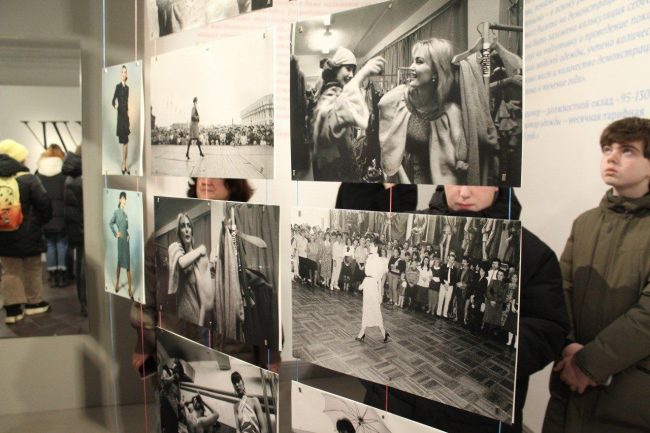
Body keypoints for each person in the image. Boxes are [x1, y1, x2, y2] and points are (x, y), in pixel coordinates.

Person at [363, 185, 570, 432]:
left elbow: (548, 329)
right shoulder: (409, 222)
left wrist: (488, 354)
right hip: (395, 403)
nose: (463, 192)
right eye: (456, 180)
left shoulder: (534, 253)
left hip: (476, 414)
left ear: (498, 181)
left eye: (476, 182)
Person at [542, 117, 650, 433]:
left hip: (628, 394)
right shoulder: (585, 223)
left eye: (627, 151)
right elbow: (561, 290)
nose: (611, 158)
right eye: (607, 149)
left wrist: (589, 364)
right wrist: (568, 347)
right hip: (568, 383)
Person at [379, 38, 467, 184]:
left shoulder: (451, 111)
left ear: (436, 72)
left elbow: (461, 158)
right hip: (402, 181)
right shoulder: (396, 100)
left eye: (419, 62)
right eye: (413, 61)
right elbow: (389, 150)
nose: (411, 67)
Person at [310, 47, 386, 181]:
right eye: (348, 68)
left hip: (337, 167)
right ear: (336, 69)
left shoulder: (336, 90)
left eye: (353, 70)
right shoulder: (331, 92)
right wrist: (362, 74)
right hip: (333, 171)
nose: (351, 74)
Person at [0, 139, 52, 324]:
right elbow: (44, 204)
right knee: (32, 268)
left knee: (10, 270)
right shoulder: (29, 179)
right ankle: (34, 303)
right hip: (30, 233)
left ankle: (13, 310)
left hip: (3, 233)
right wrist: (40, 222)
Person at [167, 212, 211, 325]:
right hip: (179, 317)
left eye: (189, 226)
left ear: (192, 231)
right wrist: (201, 249)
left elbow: (204, 302)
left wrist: (200, 325)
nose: (186, 229)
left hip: (195, 319)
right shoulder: (177, 254)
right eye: (183, 226)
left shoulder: (199, 259)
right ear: (179, 232)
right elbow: (181, 263)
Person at [36, 144, 68, 288]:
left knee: (49, 244)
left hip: (46, 215)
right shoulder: (64, 174)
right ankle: (62, 275)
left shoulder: (38, 174)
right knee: (61, 244)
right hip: (62, 216)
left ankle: (52, 275)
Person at [62, 146, 86, 316]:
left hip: (76, 227)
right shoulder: (83, 178)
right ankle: (87, 304)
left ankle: (84, 303)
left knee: (81, 265)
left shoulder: (72, 175)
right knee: (85, 267)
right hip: (84, 228)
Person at [355, 235, 389, 343]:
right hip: (368, 285)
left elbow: (379, 279)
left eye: (372, 245)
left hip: (374, 286)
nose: (369, 247)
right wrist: (362, 285)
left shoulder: (380, 261)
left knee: (375, 309)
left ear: (376, 247)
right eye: (369, 245)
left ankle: (383, 332)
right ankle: (362, 332)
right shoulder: (369, 258)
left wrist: (380, 295)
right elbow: (367, 275)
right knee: (366, 309)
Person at [109, 191, 133, 298]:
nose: (124, 200)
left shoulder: (126, 215)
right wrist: (116, 233)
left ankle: (130, 288)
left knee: (128, 265)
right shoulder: (116, 212)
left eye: (125, 199)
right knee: (119, 263)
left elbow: (125, 229)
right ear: (119, 200)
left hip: (126, 242)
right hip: (120, 241)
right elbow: (110, 223)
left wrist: (128, 235)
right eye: (122, 198)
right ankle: (117, 283)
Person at [112, 65, 131, 174]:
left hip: (126, 117)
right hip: (120, 117)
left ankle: (125, 163)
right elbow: (113, 101)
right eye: (122, 72)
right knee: (124, 141)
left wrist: (128, 116)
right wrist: (116, 107)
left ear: (126, 74)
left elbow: (127, 104)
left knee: (126, 141)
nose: (124, 74)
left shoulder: (127, 88)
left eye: (125, 72)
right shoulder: (118, 87)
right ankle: (124, 163)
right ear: (121, 74)